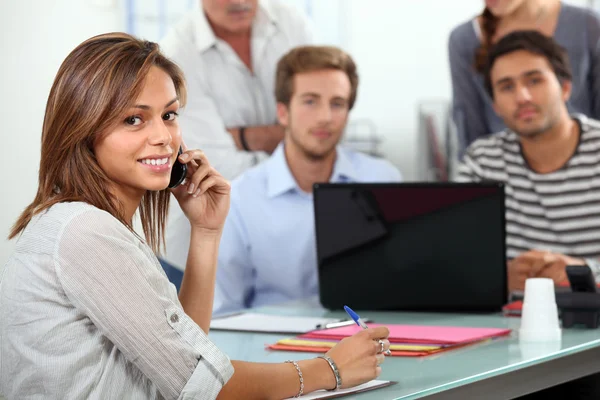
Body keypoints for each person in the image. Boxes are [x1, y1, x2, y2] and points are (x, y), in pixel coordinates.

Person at [0, 33, 391, 400]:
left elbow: (189, 351)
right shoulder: (85, 231)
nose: (164, 137)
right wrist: (329, 369)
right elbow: (200, 384)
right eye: (134, 119)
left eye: (168, 115)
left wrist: (205, 231)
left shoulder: (92, 224)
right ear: (82, 129)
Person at [213, 45, 402, 314]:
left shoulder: (383, 179)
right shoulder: (241, 199)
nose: (325, 117)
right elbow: (223, 313)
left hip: (365, 338)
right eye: (310, 101)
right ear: (283, 112)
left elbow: (401, 285)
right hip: (271, 348)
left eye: (337, 104)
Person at [159, 0, 314, 272]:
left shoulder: (290, 22)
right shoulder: (177, 53)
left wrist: (241, 137)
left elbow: (319, 123)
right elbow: (215, 166)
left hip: (276, 244)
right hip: (196, 252)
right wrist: (291, 146)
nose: (239, 2)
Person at [455, 30, 600, 294]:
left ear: (566, 87)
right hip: (512, 323)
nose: (522, 96)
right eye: (507, 86)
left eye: (534, 80)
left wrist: (583, 272)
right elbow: (456, 262)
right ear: (496, 105)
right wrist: (497, 277)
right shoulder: (482, 162)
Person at [449, 0, 600, 155]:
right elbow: (470, 133)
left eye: (534, 80)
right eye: (507, 86)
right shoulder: (464, 40)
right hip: (501, 170)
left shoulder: (589, 26)